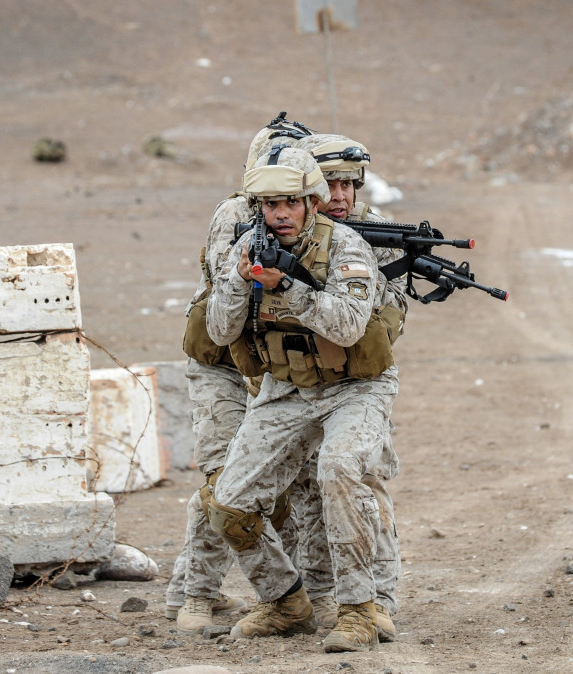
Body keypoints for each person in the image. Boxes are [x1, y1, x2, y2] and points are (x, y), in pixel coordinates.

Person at [205, 146, 399, 652]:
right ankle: (285, 601)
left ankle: (359, 609)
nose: (282, 214)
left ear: (312, 203)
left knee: (339, 469)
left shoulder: (347, 247)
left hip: (355, 387)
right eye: (270, 206)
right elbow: (221, 330)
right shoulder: (248, 246)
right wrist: (239, 280)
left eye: (291, 202)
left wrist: (287, 286)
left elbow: (350, 325)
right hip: (286, 388)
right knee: (228, 502)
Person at [165, 114, 314, 633]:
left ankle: (284, 596)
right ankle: (197, 596)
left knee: (278, 489)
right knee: (222, 484)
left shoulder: (313, 221)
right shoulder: (236, 216)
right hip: (223, 365)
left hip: (274, 370)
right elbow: (234, 306)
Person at [290, 133, 405, 642]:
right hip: (297, 384)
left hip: (359, 381)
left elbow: (389, 317)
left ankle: (377, 601)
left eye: (348, 184)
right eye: (329, 184)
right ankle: (319, 597)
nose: (339, 195)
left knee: (360, 482)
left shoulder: (380, 234)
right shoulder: (288, 229)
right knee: (306, 494)